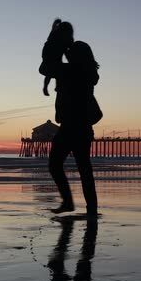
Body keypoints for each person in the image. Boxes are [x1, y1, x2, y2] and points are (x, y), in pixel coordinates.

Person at [40, 35, 100, 216]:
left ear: (76, 56)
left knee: (55, 165)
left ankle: (68, 201)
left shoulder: (68, 71)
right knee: (85, 169)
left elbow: (44, 67)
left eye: (71, 53)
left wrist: (53, 38)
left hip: (69, 127)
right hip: (83, 128)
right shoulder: (89, 72)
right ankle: (91, 210)